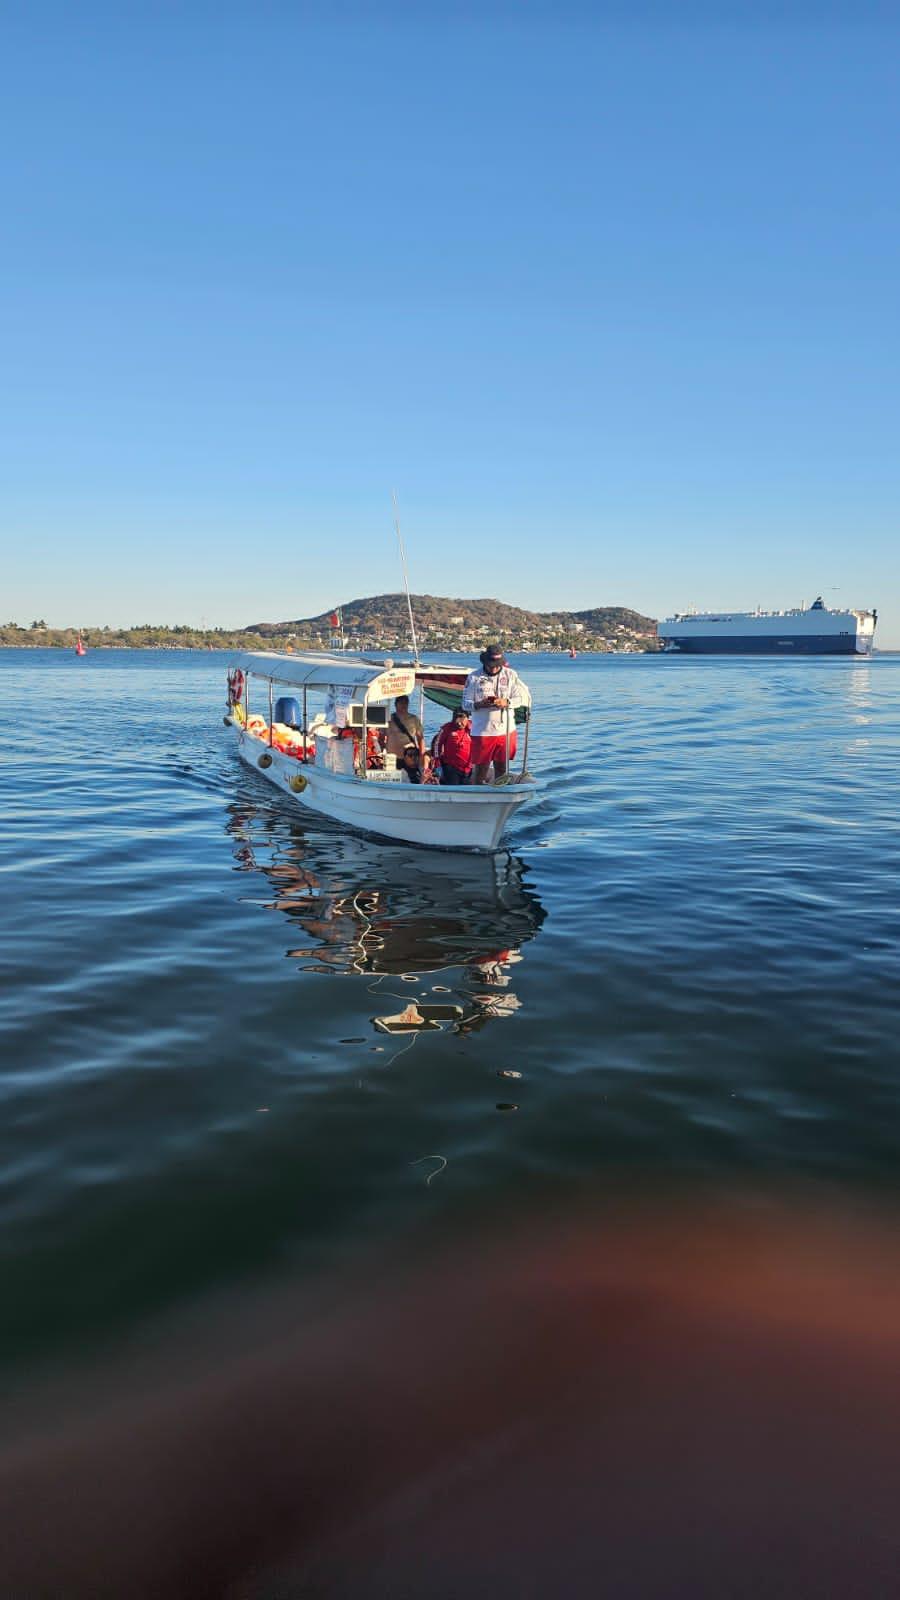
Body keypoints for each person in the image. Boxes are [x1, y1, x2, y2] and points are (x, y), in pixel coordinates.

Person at [462, 645, 530, 785]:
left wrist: (506, 702)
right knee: (481, 769)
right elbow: (465, 703)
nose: (493, 668)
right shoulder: (474, 677)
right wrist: (479, 704)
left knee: (501, 767)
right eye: (490, 665)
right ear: (485, 662)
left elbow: (520, 699)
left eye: (496, 665)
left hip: (505, 730)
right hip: (482, 731)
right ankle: (477, 796)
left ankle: (500, 793)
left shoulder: (511, 675)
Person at [432, 707, 473, 786]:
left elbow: (479, 745)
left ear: (467, 718)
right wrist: (437, 763)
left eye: (462, 720)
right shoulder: (447, 728)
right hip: (451, 767)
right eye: (456, 720)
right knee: (454, 788)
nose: (459, 723)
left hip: (467, 768)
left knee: (466, 790)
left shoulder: (473, 728)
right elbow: (437, 744)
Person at [386, 694, 425, 769]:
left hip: (410, 757)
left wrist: (422, 756)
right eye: (401, 703)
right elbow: (381, 737)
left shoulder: (414, 719)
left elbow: (420, 739)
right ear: (395, 705)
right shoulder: (389, 719)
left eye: (406, 703)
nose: (404, 705)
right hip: (392, 757)